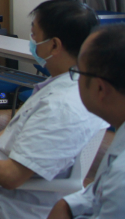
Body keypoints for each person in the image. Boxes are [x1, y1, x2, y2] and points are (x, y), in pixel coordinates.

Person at [0, 0, 108, 219]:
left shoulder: (62, 106)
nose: (32, 41)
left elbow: (11, 176)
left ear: (54, 45)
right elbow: (24, 127)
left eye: (34, 35)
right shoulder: (66, 84)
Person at [47, 25, 125, 219]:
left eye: (78, 71)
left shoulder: (122, 178)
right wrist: (69, 205)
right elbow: (100, 190)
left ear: (100, 88)